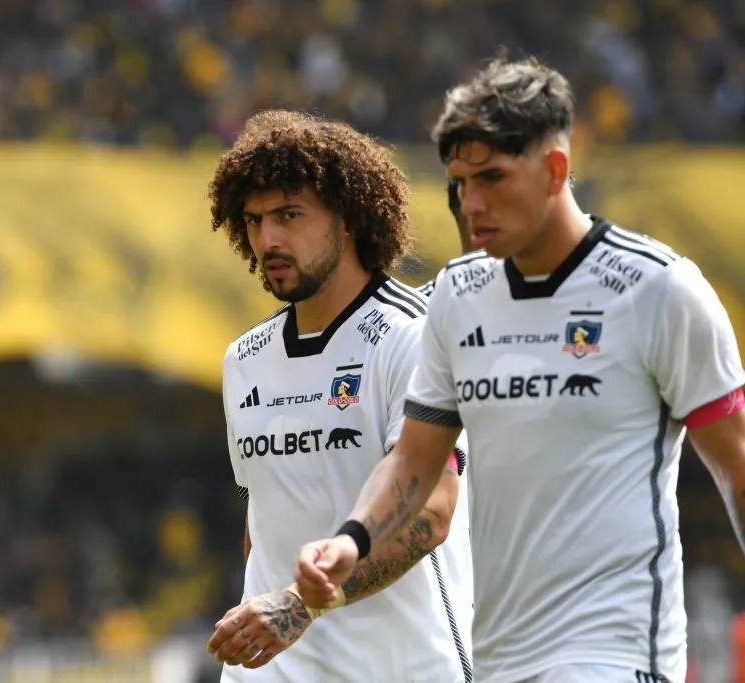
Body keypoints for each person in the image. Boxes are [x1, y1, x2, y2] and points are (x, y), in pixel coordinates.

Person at [294, 55, 745, 683]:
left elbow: (737, 465)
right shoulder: (456, 293)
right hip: (500, 658)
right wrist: (350, 540)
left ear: (555, 169)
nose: (469, 203)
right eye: (458, 181)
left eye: (492, 178)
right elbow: (416, 459)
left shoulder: (659, 290)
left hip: (616, 654)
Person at [205, 109, 475, 682]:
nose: (268, 239)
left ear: (348, 218)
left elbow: (432, 511)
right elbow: (266, 515)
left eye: (290, 215)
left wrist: (301, 605)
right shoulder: (243, 361)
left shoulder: (415, 334)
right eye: (253, 221)